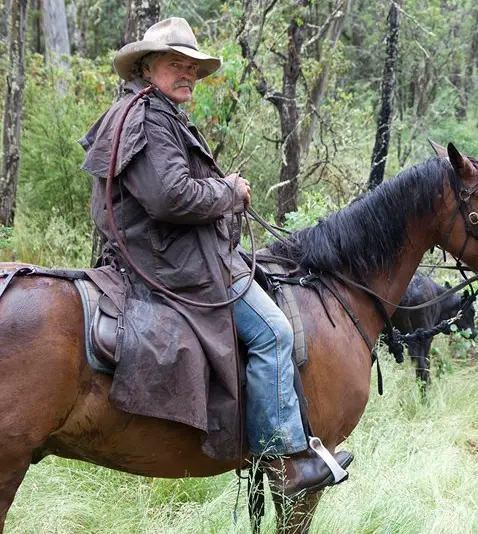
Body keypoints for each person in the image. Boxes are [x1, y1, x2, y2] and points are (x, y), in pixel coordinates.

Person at [79, 17, 351, 497]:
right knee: (273, 331)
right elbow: (170, 197)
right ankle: (282, 461)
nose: (186, 73)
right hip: (173, 261)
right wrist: (229, 191)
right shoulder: (150, 118)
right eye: (174, 64)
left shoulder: (148, 112)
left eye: (191, 66)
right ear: (147, 67)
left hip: (159, 252)